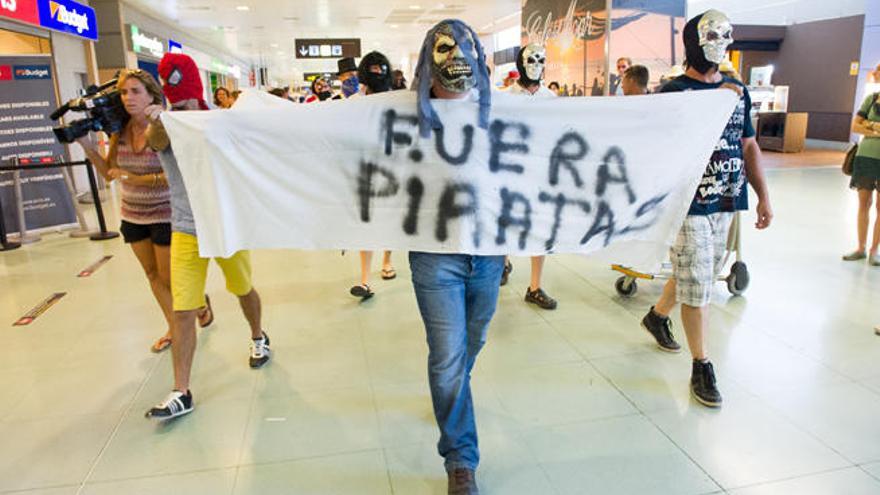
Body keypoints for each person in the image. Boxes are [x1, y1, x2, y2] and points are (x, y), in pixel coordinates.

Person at [640, 10, 773, 408]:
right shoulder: (672, 92)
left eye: (725, 34)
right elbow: (652, 148)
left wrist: (763, 194)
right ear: (694, 42)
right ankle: (702, 363)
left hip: (728, 198)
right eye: (711, 34)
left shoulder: (736, 91)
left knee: (697, 273)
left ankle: (658, 315)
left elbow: (749, 145)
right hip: (689, 203)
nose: (719, 41)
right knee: (698, 282)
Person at [144, 53, 271, 420]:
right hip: (185, 226)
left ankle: (259, 335)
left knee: (242, 287)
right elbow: (155, 140)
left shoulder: (218, 121)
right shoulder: (164, 126)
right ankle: (181, 390)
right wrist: (165, 117)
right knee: (183, 310)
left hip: (225, 223)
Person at [411, 19, 497, 495]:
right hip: (433, 254)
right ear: (429, 58)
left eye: (465, 46)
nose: (456, 56)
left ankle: (451, 396)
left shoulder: (502, 110)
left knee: (471, 343)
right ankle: (460, 460)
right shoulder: (402, 113)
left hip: (487, 251)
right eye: (445, 48)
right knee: (447, 356)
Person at [75, 69, 213, 353]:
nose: (128, 98)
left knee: (170, 278)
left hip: (166, 212)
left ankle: (198, 302)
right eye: (124, 92)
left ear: (152, 95)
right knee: (152, 275)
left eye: (136, 91)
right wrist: (87, 146)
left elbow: (179, 173)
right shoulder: (120, 131)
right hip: (133, 214)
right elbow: (111, 173)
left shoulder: (163, 126)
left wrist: (138, 179)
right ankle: (174, 328)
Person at [505, 43, 558, 310]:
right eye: (531, 59)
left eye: (541, 59)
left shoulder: (550, 98)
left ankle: (535, 286)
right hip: (512, 169)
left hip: (540, 172)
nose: (536, 64)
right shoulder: (507, 97)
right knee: (506, 219)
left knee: (541, 226)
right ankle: (503, 262)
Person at [349, 51, 397, 300]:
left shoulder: (395, 100)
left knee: (389, 219)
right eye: (374, 69)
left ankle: (387, 261)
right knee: (364, 223)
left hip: (392, 168)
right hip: (364, 169)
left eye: (381, 68)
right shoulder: (355, 101)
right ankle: (365, 280)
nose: (378, 73)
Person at [845, 64, 880, 267]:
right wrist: (876, 127)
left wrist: (870, 125)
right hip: (865, 157)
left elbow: (862, 125)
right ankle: (860, 247)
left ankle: (874, 250)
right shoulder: (872, 98)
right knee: (863, 204)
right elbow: (855, 125)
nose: (874, 75)